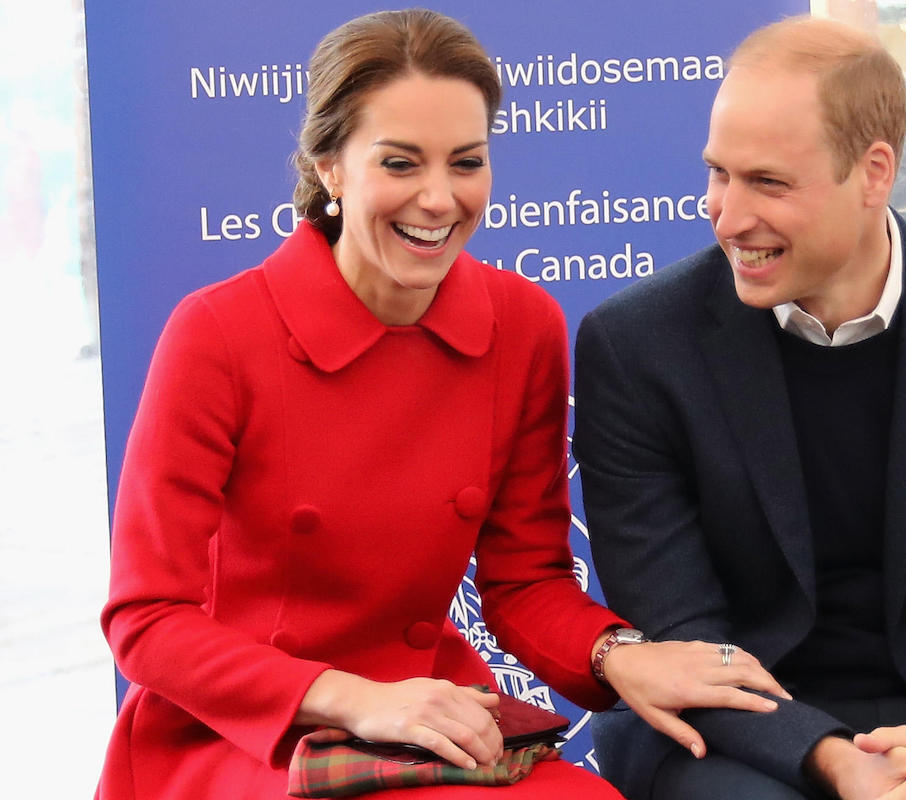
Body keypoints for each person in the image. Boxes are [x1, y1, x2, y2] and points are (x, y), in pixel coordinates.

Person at [95, 10, 787, 799]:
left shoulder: (519, 325)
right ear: (330, 167)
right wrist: (357, 699)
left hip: (434, 716)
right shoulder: (218, 333)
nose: (438, 198)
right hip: (250, 735)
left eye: (466, 162)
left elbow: (524, 580)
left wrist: (619, 656)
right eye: (399, 163)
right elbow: (147, 620)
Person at [573, 15, 906, 800]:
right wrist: (840, 765)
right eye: (718, 174)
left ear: (873, 174)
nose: (726, 216)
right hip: (734, 726)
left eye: (767, 182)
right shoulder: (636, 347)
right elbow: (683, 634)